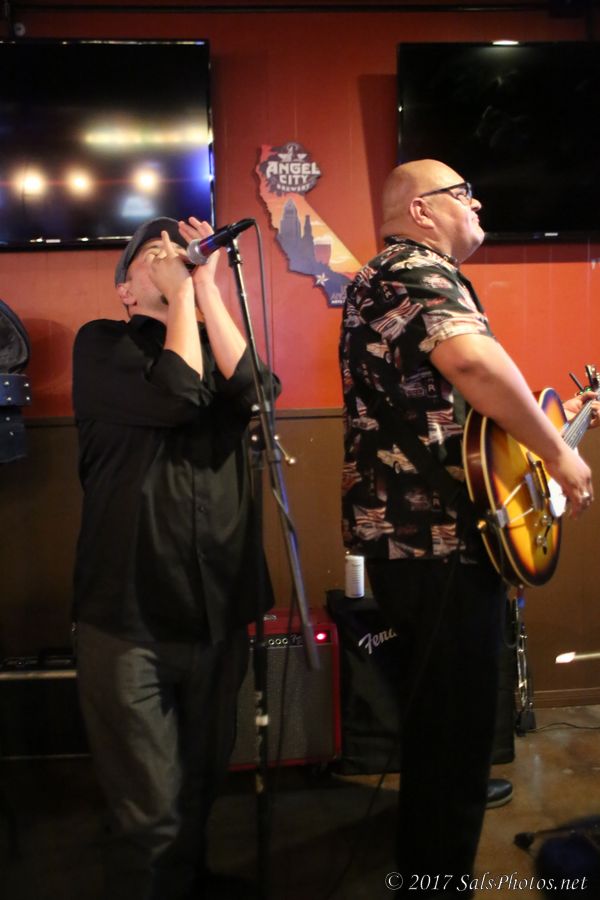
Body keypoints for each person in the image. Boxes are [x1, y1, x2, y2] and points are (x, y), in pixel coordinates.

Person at [339, 159, 596, 895]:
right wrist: (560, 455)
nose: (478, 204)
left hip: (431, 540)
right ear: (422, 210)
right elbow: (475, 365)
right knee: (454, 743)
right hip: (435, 542)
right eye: (463, 194)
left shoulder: (404, 275)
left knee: (444, 739)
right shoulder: (412, 268)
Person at [72, 215, 278, 900]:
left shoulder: (214, 344)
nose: (171, 258)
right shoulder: (101, 346)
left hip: (218, 610)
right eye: (152, 256)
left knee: (201, 783)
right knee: (149, 812)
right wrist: (184, 294)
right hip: (127, 618)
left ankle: (189, 884)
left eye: (177, 250)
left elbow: (259, 392)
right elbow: (179, 395)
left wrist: (208, 289)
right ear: (126, 291)